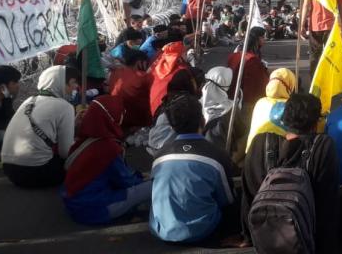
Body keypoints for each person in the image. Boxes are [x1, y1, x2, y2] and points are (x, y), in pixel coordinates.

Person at [241, 93, 339, 251]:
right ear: (316, 122)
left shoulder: (260, 143)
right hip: (307, 238)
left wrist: (247, 236)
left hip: (263, 237)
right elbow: (327, 202)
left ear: (284, 119)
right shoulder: (323, 146)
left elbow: (248, 193)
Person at [150, 93, 237, 243]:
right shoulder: (217, 155)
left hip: (161, 231)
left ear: (171, 126)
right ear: (203, 121)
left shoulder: (159, 156)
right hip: (202, 231)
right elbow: (227, 200)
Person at [61, 96, 151, 224]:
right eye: (120, 112)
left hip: (74, 203)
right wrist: (144, 178)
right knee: (156, 184)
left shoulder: (84, 138)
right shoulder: (108, 147)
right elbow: (126, 181)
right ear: (111, 116)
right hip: (94, 208)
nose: (122, 114)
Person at [1, 66, 80, 188]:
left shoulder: (29, 101)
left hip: (9, 171)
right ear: (61, 83)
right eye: (73, 82)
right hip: (36, 172)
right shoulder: (65, 107)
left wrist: (72, 123)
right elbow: (65, 152)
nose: (76, 87)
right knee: (83, 158)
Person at [244, 68, 296, 152]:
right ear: (290, 85)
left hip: (252, 154)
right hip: (278, 156)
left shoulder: (260, 102)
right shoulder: (292, 106)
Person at [109, 50, 152, 130]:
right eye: (147, 63)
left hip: (117, 117)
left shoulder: (115, 72)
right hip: (139, 121)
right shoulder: (143, 77)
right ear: (139, 62)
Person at [227, 26, 269, 108]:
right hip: (242, 90)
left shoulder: (256, 50)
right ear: (257, 38)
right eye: (263, 37)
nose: (265, 39)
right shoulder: (243, 50)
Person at [148, 42, 190, 115]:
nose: (186, 54)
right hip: (163, 109)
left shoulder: (158, 66)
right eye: (184, 52)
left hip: (150, 106)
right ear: (179, 56)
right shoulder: (181, 71)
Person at [0, 66, 22, 153]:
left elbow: (12, 118)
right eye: (15, 82)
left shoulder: (6, 99)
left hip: (1, 132)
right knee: (4, 136)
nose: (18, 85)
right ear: (2, 87)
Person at [199, 66, 233, 135]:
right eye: (206, 81)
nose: (206, 86)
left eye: (209, 82)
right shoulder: (232, 108)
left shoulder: (231, 111)